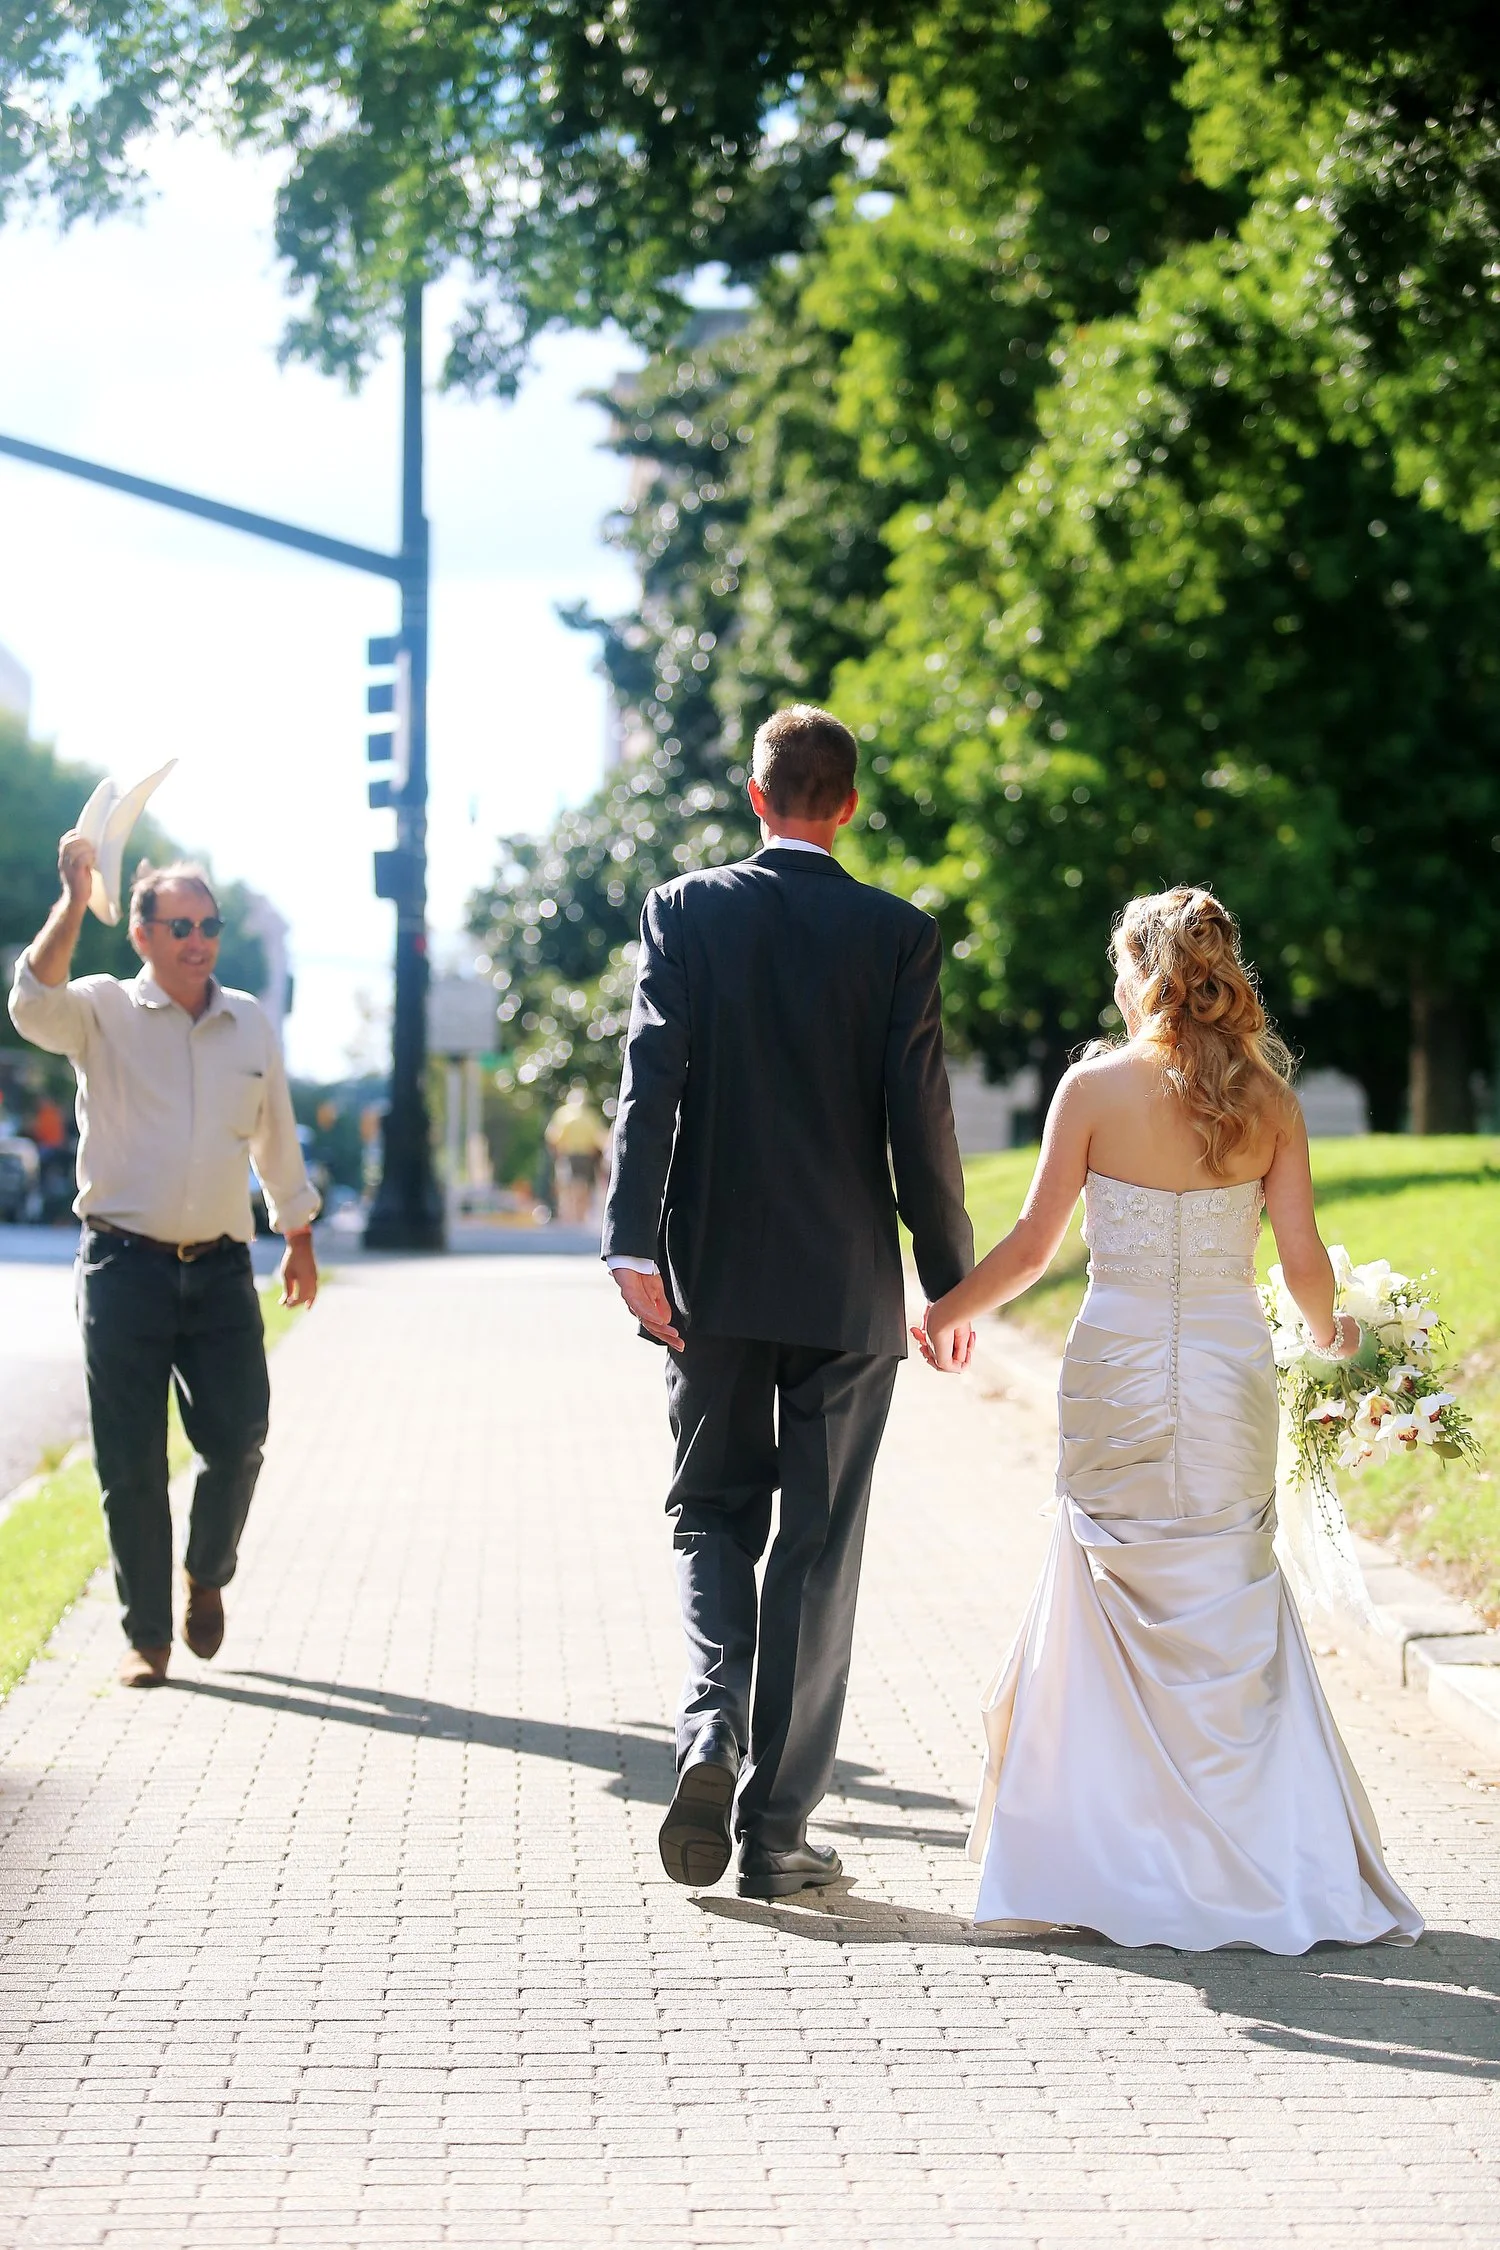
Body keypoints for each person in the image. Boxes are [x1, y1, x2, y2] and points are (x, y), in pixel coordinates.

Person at [920, 887, 1421, 1951]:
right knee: (1225, 1585)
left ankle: (1107, 1856)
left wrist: (949, 1310)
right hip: (1231, 1370)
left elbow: (1030, 1246)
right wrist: (1338, 1340)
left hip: (1116, 1367)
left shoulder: (1092, 1090)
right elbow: (1299, 1267)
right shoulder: (1273, 1105)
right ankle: (1254, 1860)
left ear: (1137, 970)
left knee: (1111, 1581)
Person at [604, 704, 974, 1901]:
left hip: (708, 1274)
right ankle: (776, 1835)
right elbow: (921, 1121)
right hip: (844, 1284)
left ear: (755, 796)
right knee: (817, 1546)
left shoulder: (685, 910)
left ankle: (710, 1725)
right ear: (848, 805)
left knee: (709, 1509)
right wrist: (951, 1278)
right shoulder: (898, 935)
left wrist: (629, 1244)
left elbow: (648, 1082)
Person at [8, 835, 320, 1689]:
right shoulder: (101, 1009)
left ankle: (205, 1571)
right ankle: (147, 1636)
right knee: (130, 1461)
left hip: (221, 1271)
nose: (197, 938)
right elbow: (31, 1004)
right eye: (178, 924)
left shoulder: (248, 1019)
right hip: (122, 1268)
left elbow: (275, 1135)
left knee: (240, 1437)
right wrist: (73, 902)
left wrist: (297, 1234)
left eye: (208, 923)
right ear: (140, 932)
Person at [545, 1086, 609, 1225]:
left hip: (568, 1154)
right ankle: (580, 1216)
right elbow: (599, 1139)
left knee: (567, 1186)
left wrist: (555, 1153)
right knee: (583, 1186)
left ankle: (569, 1216)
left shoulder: (563, 1114)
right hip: (587, 1156)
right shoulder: (591, 1115)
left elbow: (553, 1137)